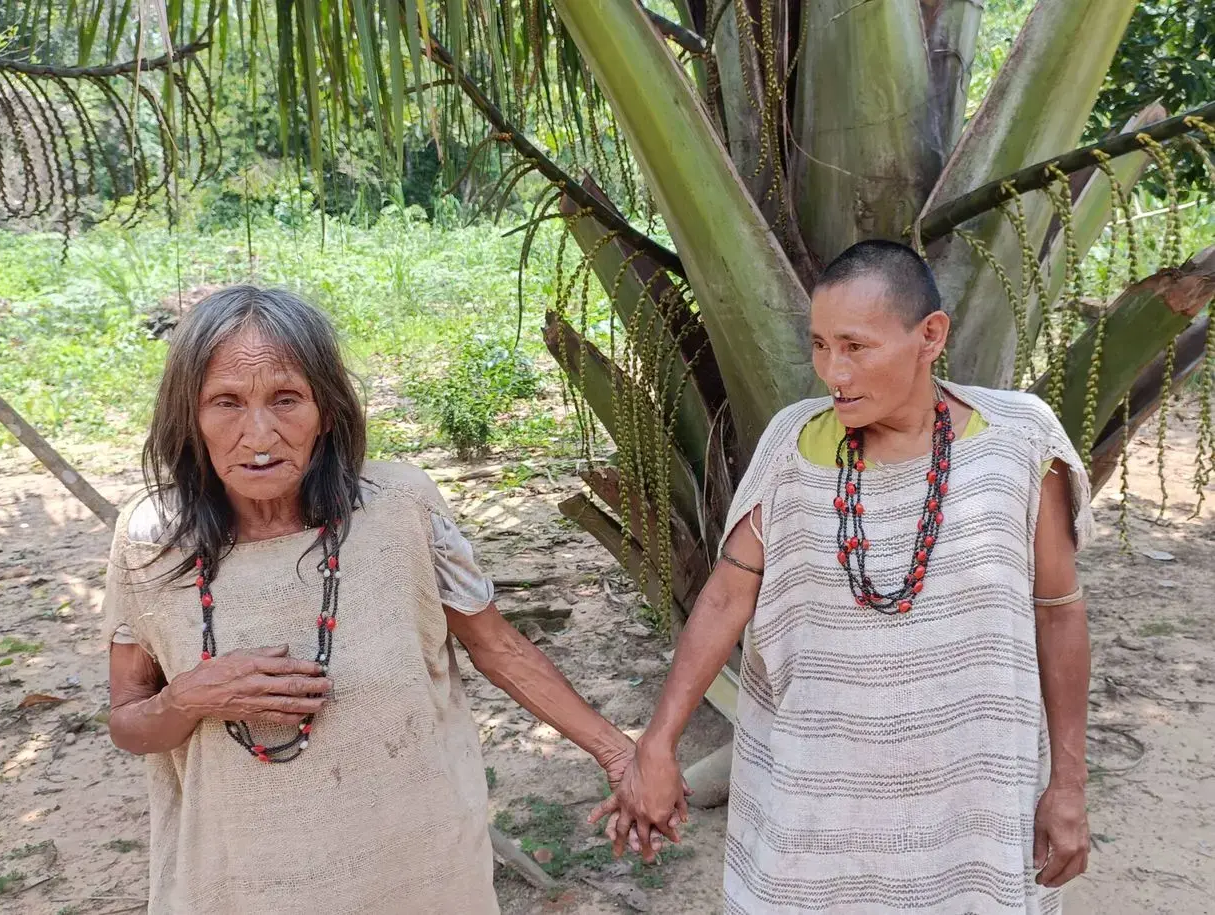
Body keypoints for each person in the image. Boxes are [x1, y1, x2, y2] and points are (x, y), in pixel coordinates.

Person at [101, 285, 643, 914]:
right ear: (186, 416)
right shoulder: (151, 539)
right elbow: (129, 723)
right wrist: (190, 696)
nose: (258, 434)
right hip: (245, 888)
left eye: (286, 399)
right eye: (224, 402)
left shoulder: (400, 510)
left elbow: (498, 648)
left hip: (419, 873)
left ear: (326, 411)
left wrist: (619, 752)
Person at [593, 240, 1093, 914]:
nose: (834, 371)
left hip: (969, 812)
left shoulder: (1021, 441)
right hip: (816, 814)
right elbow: (727, 595)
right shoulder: (793, 446)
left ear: (931, 336)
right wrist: (657, 742)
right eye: (821, 345)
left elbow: (1059, 610)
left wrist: (1068, 784)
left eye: (855, 346)